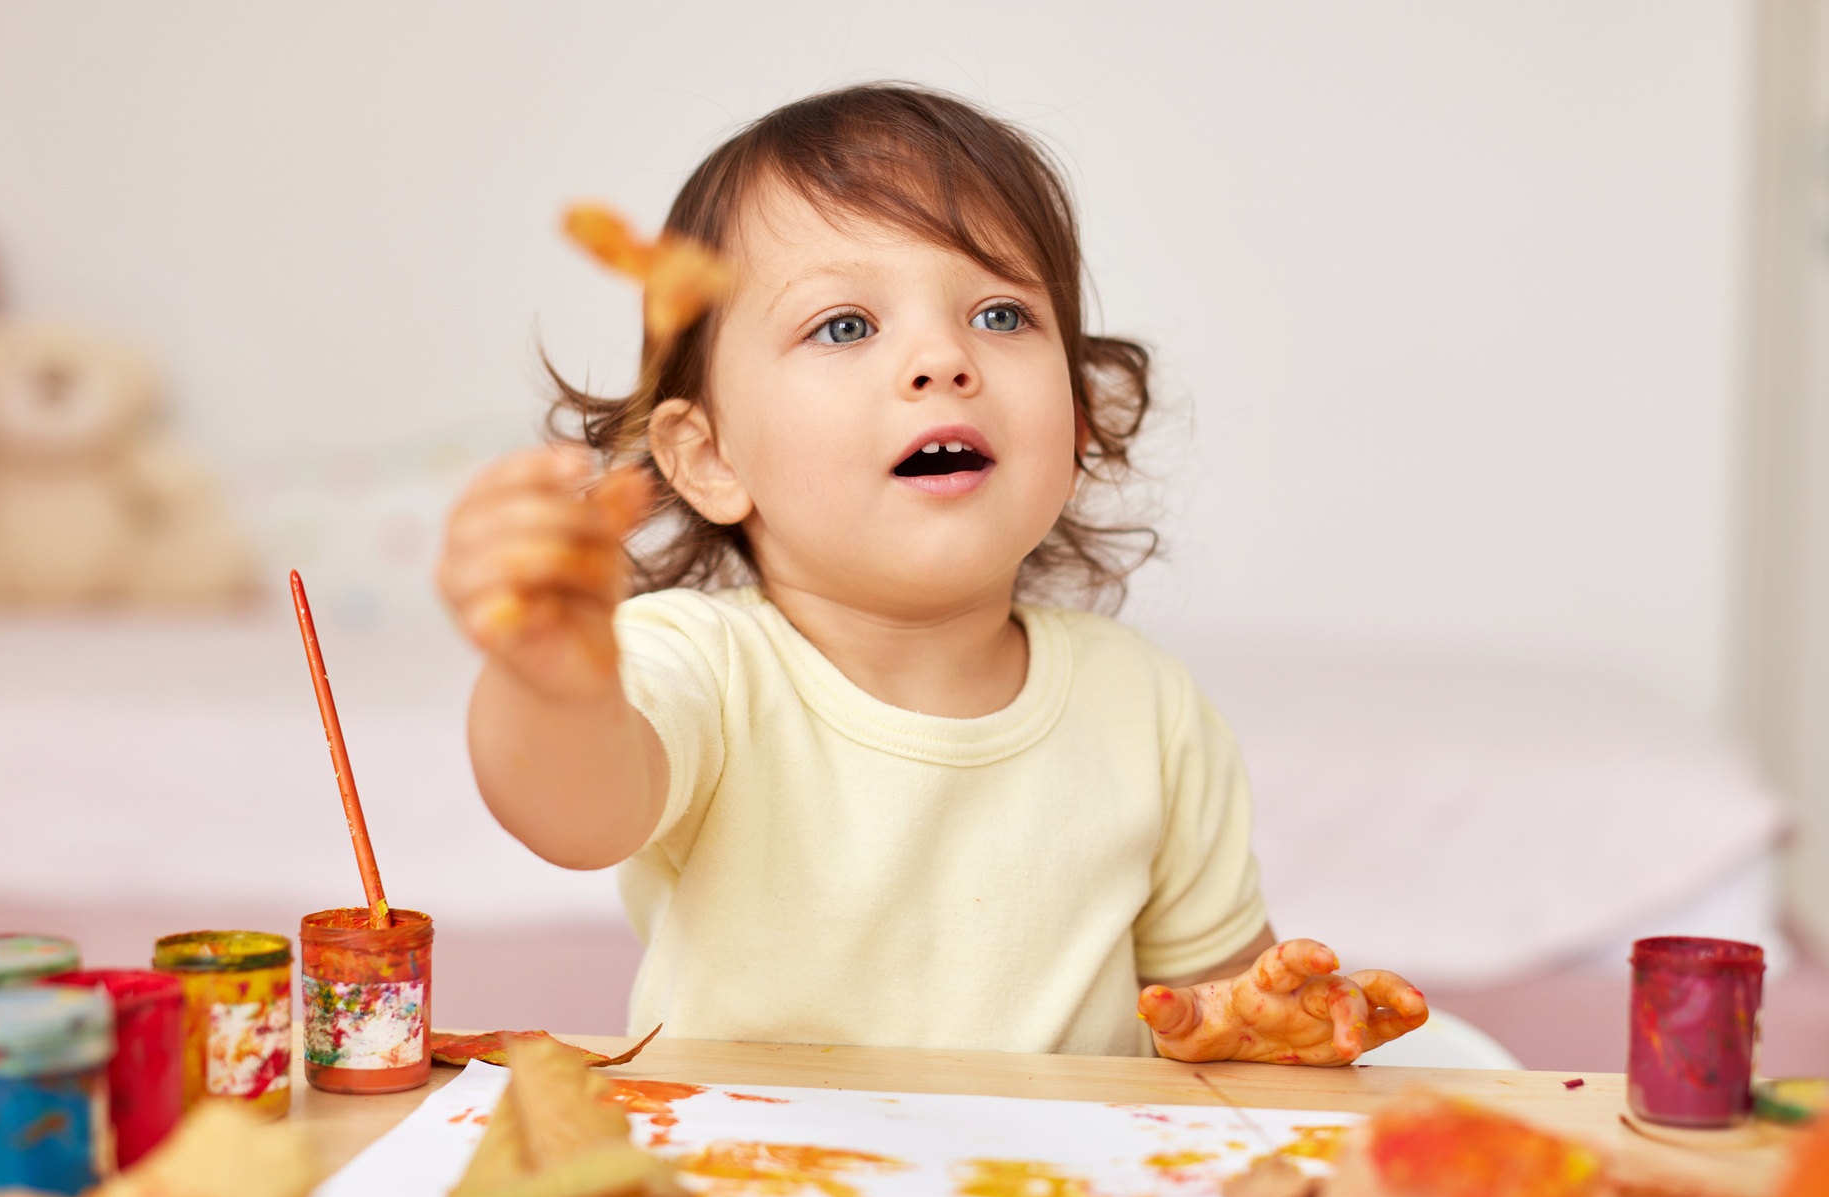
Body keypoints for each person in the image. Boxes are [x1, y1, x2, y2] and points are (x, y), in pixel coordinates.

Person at [436, 83, 1427, 1063]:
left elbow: (1216, 1009)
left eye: (998, 314)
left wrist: (1268, 1025)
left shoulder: (1146, 706)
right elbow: (573, 811)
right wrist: (549, 683)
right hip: (762, 1186)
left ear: (1076, 421)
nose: (942, 358)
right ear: (709, 457)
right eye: (843, 325)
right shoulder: (704, 666)